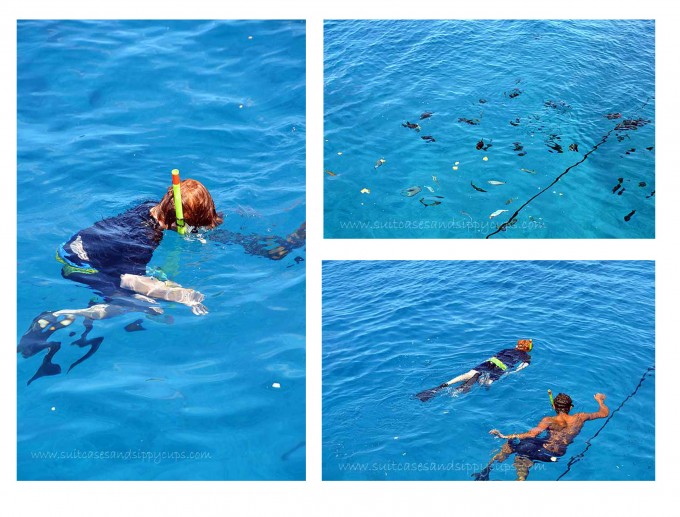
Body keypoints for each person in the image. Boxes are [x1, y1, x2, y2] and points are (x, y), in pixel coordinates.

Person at [18, 178, 305, 384]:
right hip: (80, 266)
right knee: (139, 304)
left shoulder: (148, 208)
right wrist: (183, 294)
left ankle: (275, 248)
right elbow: (131, 279)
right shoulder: (144, 241)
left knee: (144, 297)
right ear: (179, 221)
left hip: (72, 246)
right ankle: (67, 317)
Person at [473, 392, 609, 481]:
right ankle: (520, 480)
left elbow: (532, 434)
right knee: (526, 453)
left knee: (512, 444)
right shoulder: (581, 417)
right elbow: (604, 413)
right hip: (556, 455)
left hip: (542, 449)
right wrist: (600, 401)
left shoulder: (549, 420)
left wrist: (505, 436)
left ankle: (486, 470)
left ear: (554, 406)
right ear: (571, 407)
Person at [416, 339, 533, 402]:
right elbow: (524, 365)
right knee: (486, 383)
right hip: (500, 368)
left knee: (468, 374)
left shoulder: (506, 349)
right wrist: (514, 372)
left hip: (489, 362)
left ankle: (444, 385)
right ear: (527, 349)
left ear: (517, 345)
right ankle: (468, 385)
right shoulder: (526, 356)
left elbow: (494, 357)